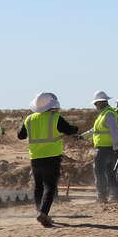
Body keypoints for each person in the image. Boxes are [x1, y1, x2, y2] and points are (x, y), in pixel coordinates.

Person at [17, 92, 78, 228]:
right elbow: (69, 130)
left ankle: (39, 210)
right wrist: (76, 128)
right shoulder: (55, 118)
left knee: (38, 186)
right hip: (51, 157)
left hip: (35, 157)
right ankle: (43, 213)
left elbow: (20, 136)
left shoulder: (29, 119)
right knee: (49, 186)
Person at [89, 91, 118, 203]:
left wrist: (116, 147)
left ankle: (102, 196)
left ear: (99, 102)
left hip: (104, 148)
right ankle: (114, 195)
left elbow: (114, 131)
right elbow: (95, 130)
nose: (95, 106)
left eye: (95, 103)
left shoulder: (107, 114)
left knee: (99, 172)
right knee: (110, 172)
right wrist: (83, 136)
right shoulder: (105, 114)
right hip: (109, 148)